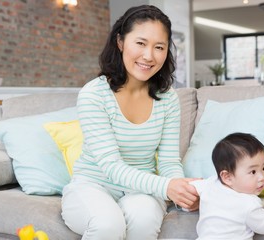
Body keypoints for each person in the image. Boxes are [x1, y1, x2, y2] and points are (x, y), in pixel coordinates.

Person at [61, 5, 199, 240]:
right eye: (141, 43)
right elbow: (111, 167)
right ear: (121, 42)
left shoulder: (168, 98)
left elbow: (167, 162)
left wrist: (181, 190)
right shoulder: (94, 94)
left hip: (141, 190)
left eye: (159, 47)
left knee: (144, 218)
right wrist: (167, 187)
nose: (149, 56)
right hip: (92, 186)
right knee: (107, 224)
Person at [191, 132, 264, 240]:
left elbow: (190, 188)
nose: (262, 177)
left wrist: (186, 207)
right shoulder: (248, 204)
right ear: (227, 177)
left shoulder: (210, 183)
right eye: (253, 172)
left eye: (263, 168)